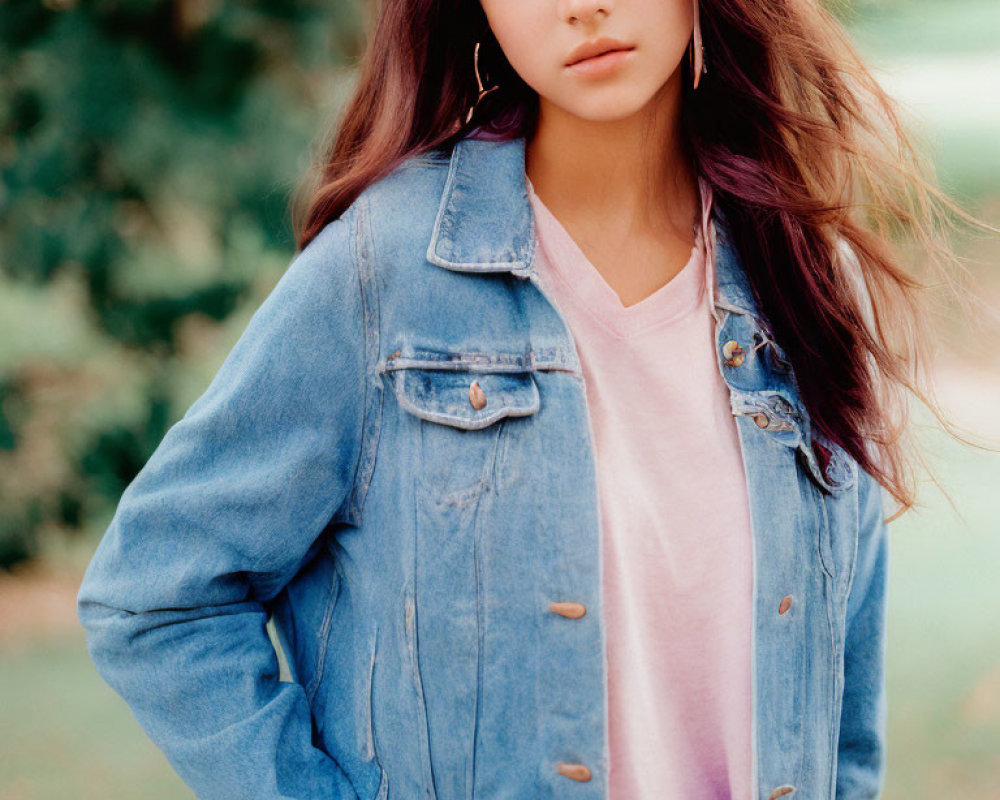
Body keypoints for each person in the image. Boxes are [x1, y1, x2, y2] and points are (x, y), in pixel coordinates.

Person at [77, 1, 985, 798]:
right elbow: (157, 594)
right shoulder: (386, 274)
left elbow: (842, 720)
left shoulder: (807, 286)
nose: (581, 6)